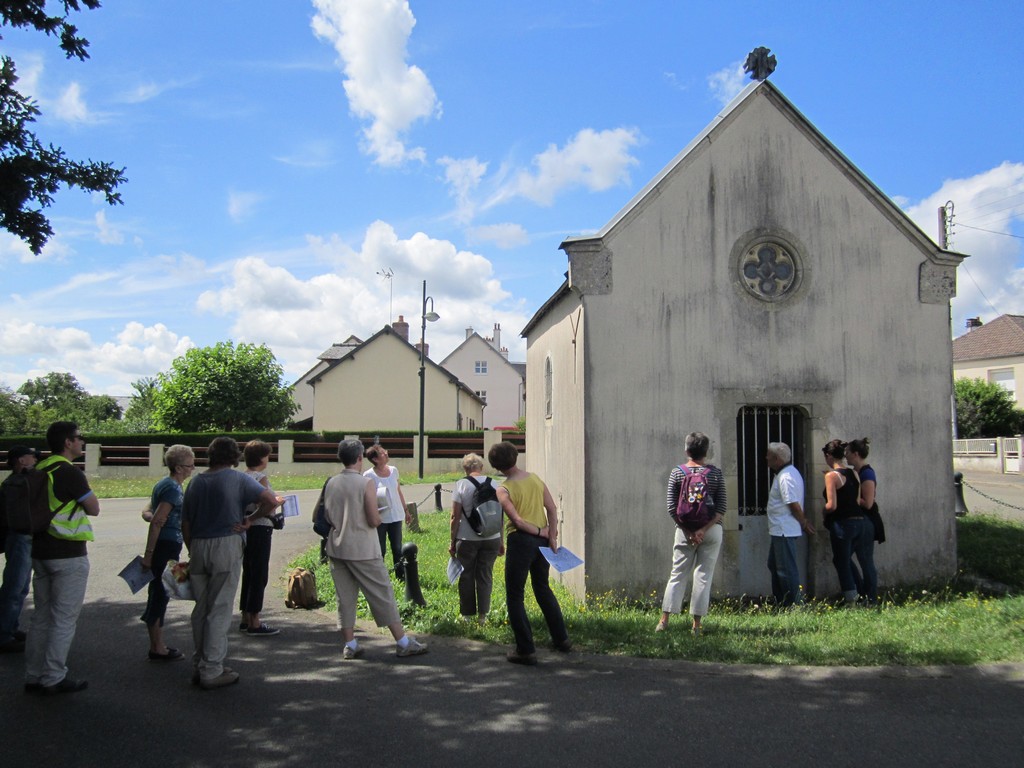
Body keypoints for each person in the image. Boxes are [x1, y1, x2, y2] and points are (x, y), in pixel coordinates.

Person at [182, 436, 279, 690]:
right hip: (226, 543)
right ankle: (212, 669)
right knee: (220, 608)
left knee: (201, 609)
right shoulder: (238, 479)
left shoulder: (196, 482)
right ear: (233, 456)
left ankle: (200, 663)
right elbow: (269, 501)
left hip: (199, 546)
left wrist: (192, 548)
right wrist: (250, 520)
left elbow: (186, 522)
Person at [323, 439, 427, 660]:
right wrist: (379, 514)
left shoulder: (331, 482)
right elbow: (373, 519)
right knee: (382, 593)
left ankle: (350, 644)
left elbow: (325, 516)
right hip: (362, 548)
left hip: (337, 547)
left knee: (345, 597)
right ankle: (402, 642)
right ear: (360, 458)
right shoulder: (365, 483)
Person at [24, 422, 100, 695]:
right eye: (79, 438)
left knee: (41, 617)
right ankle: (54, 676)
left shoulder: (40, 469)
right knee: (64, 619)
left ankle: (33, 675)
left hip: (40, 551)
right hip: (68, 554)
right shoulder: (68, 472)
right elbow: (94, 508)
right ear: (67, 442)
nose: (82, 442)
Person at [488, 440, 570, 666]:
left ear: (496, 466)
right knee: (543, 588)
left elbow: (517, 521)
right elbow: (552, 509)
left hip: (521, 542)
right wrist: (550, 535)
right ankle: (561, 639)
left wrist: (537, 531)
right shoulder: (535, 479)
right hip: (542, 543)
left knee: (515, 595)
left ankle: (525, 649)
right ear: (515, 456)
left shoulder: (503, 490)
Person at [656, 432, 725, 636]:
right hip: (711, 530)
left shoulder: (677, 473)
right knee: (703, 576)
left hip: (684, 530)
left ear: (686, 450)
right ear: (706, 452)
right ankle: (696, 625)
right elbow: (721, 507)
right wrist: (703, 530)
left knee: (677, 573)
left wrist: (689, 530)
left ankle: (664, 620)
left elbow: (671, 507)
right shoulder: (715, 474)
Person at [140, 444, 196, 661]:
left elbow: (149, 512)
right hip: (165, 546)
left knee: (161, 590)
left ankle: (158, 643)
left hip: (169, 544)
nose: (193, 469)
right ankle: (157, 647)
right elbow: (156, 523)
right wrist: (149, 555)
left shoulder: (165, 484)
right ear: (179, 467)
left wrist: (150, 517)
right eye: (190, 465)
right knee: (160, 593)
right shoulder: (173, 488)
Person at [450, 453, 504, 624]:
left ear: (465, 469)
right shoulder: (494, 483)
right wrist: (501, 540)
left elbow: (455, 516)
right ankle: (483, 616)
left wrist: (452, 541)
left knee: (466, 575)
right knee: (485, 575)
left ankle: (466, 615)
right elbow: (500, 515)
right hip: (492, 537)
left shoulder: (461, 485)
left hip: (467, 538)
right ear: (481, 467)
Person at [238, 440, 285, 637]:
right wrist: (276, 502)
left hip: (245, 530)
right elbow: (267, 504)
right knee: (259, 574)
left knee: (248, 572)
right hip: (260, 527)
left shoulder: (241, 477)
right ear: (261, 458)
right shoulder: (261, 478)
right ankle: (255, 621)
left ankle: (245, 615)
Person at [0, 446, 41, 653]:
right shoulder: (15, 482)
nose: (35, 458)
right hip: (19, 538)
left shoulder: (18, 480)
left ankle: (10, 627)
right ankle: (3, 635)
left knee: (21, 587)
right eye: (31, 455)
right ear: (20, 461)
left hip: (22, 538)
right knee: (14, 587)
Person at [765, 442, 815, 607]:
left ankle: (793, 603)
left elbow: (793, 504)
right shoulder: (785, 474)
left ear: (777, 459)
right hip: (780, 529)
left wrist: (804, 522)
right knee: (774, 565)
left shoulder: (786, 476)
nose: (766, 458)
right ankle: (781, 600)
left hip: (784, 529)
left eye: (769, 456)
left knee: (785, 569)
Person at [363, 445, 410, 579]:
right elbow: (367, 498)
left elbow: (398, 491)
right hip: (380, 519)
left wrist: (405, 510)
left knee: (397, 548)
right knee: (380, 549)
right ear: (375, 459)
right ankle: (379, 576)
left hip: (396, 516)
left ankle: (400, 576)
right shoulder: (368, 475)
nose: (386, 453)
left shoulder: (394, 470)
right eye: (383, 453)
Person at [843, 437, 880, 605]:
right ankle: (862, 591)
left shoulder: (867, 473)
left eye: (848, 453)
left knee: (866, 561)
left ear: (856, 454)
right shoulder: (857, 473)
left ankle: (871, 598)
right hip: (859, 521)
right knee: (843, 558)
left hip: (866, 521)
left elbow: (869, 502)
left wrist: (850, 497)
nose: (846, 456)